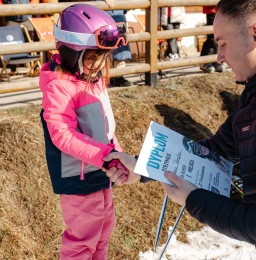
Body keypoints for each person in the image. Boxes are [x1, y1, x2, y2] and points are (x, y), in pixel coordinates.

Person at [103, 0, 256, 245]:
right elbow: (213, 152)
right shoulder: (249, 102)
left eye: (223, 44)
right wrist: (143, 167)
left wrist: (194, 199)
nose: (219, 57)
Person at [39, 4, 129, 259]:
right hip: (77, 178)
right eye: (92, 58)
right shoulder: (59, 88)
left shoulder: (92, 80)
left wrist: (118, 155)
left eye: (103, 57)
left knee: (103, 230)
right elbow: (62, 135)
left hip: (99, 170)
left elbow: (104, 129)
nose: (98, 64)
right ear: (70, 53)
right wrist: (106, 155)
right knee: (83, 239)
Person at [92, 0, 133, 87]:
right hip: (102, 10)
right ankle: (104, 77)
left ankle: (118, 76)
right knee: (104, 43)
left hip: (118, 10)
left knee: (120, 43)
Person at [0, 0, 39, 75]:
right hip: (11, 19)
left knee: (31, 42)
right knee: (10, 43)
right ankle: (13, 69)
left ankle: (34, 67)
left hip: (27, 17)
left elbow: (35, 1)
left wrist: (29, 7)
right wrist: (7, 8)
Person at [200, 6, 225, 73]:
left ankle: (216, 60)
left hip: (222, 9)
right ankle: (204, 62)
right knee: (212, 37)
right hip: (212, 10)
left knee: (220, 36)